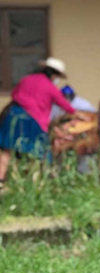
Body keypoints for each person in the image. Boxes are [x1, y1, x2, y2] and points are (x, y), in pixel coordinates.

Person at [0, 58, 86, 189]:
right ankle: (36, 185)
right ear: (53, 74)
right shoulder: (49, 86)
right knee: (39, 153)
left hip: (13, 116)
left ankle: (1, 181)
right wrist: (77, 114)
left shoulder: (26, 79)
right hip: (32, 120)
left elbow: (14, 94)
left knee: (7, 151)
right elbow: (62, 103)